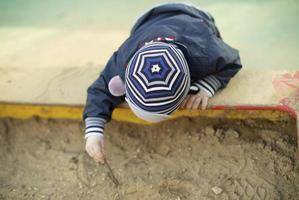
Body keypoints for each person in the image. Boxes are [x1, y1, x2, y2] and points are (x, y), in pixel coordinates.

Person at [83, 3, 242, 163]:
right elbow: (100, 90)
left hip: (195, 18)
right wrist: (94, 132)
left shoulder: (205, 52)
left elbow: (232, 60)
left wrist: (207, 87)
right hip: (147, 20)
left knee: (215, 45)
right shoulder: (123, 59)